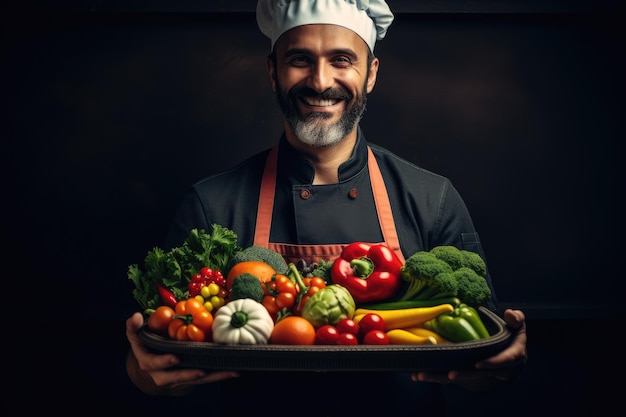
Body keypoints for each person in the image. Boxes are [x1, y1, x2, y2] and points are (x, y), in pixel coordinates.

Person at [125, 0, 528, 414]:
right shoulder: (211, 204)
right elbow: (156, 363)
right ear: (273, 72)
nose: (320, 81)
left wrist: (497, 368)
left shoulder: (432, 199)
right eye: (300, 59)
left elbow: (483, 359)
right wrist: (150, 376)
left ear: (370, 74)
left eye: (341, 59)